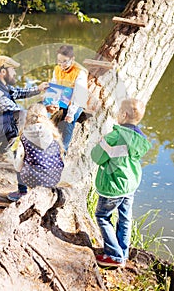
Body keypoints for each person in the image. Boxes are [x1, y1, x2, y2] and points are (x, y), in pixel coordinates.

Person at [91, 99, 151, 268]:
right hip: (130, 184)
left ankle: (114, 256)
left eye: (118, 111)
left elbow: (97, 157)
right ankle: (123, 253)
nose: (117, 114)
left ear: (124, 115)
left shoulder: (114, 136)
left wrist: (100, 143)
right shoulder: (140, 138)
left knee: (102, 216)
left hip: (114, 185)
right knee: (125, 219)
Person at [0, 55, 49, 158]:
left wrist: (38, 89)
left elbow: (18, 92)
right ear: (3, 72)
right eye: (13, 70)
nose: (15, 73)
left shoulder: (2, 85)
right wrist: (43, 107)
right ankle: (1, 153)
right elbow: (14, 110)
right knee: (22, 116)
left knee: (21, 117)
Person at [7, 103, 64, 202]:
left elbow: (18, 164)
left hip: (32, 179)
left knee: (19, 160)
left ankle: (22, 192)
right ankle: (48, 190)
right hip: (54, 177)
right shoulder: (53, 133)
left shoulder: (24, 136)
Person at [46, 45, 88, 152]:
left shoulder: (79, 73)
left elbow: (79, 96)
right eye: (59, 61)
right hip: (63, 98)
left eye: (64, 61)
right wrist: (53, 103)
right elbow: (54, 87)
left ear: (72, 59)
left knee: (67, 124)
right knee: (45, 115)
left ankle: (62, 151)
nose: (61, 65)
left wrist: (70, 113)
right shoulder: (57, 69)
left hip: (76, 102)